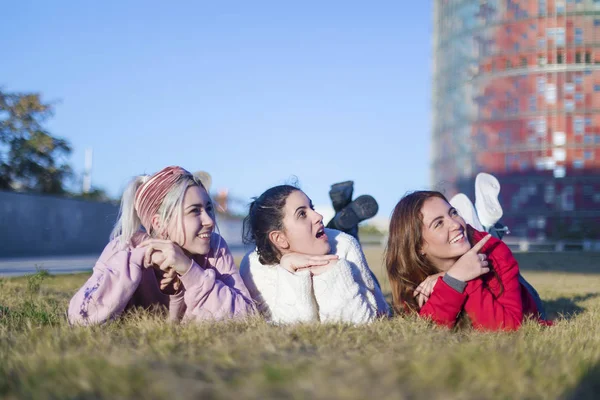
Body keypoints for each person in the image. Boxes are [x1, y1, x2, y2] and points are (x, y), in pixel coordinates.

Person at [68, 166, 255, 325]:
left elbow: (246, 316)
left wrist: (189, 271)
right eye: (194, 211)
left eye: (208, 209)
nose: (209, 221)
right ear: (159, 223)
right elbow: (80, 317)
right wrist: (138, 260)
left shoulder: (214, 249)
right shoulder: (124, 249)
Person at [385, 190, 550, 331]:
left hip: (527, 303)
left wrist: (461, 277)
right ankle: (482, 223)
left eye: (453, 213)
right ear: (419, 246)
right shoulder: (411, 277)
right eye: (439, 224)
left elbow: (508, 328)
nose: (455, 224)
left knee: (487, 241)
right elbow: (427, 329)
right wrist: (454, 279)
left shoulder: (495, 250)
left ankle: (490, 228)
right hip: (463, 252)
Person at [239, 184, 389, 324]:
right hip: (320, 238)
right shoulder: (255, 270)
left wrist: (334, 269)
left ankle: (343, 224)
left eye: (312, 207)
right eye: (302, 214)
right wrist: (289, 271)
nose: (318, 216)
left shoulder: (345, 245)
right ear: (280, 238)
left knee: (344, 240)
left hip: (337, 246)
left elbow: (373, 316)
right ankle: (340, 217)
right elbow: (289, 326)